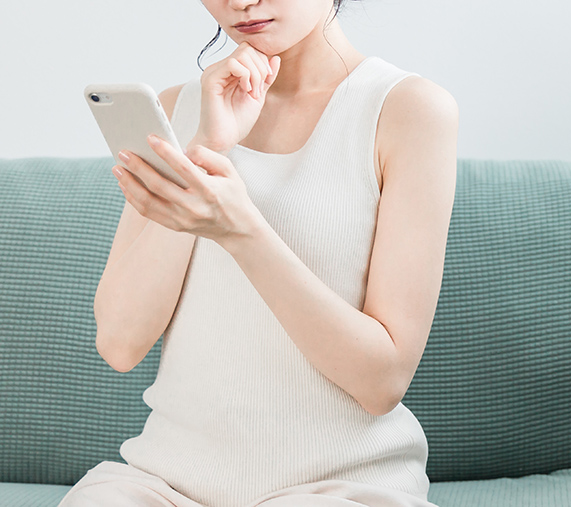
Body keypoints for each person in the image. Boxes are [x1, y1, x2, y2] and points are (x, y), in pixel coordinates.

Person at [58, 0, 458, 505]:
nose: (241, 1)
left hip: (339, 487)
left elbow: (382, 382)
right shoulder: (177, 111)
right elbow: (119, 344)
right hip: (165, 484)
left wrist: (241, 231)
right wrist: (206, 147)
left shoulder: (407, 110)